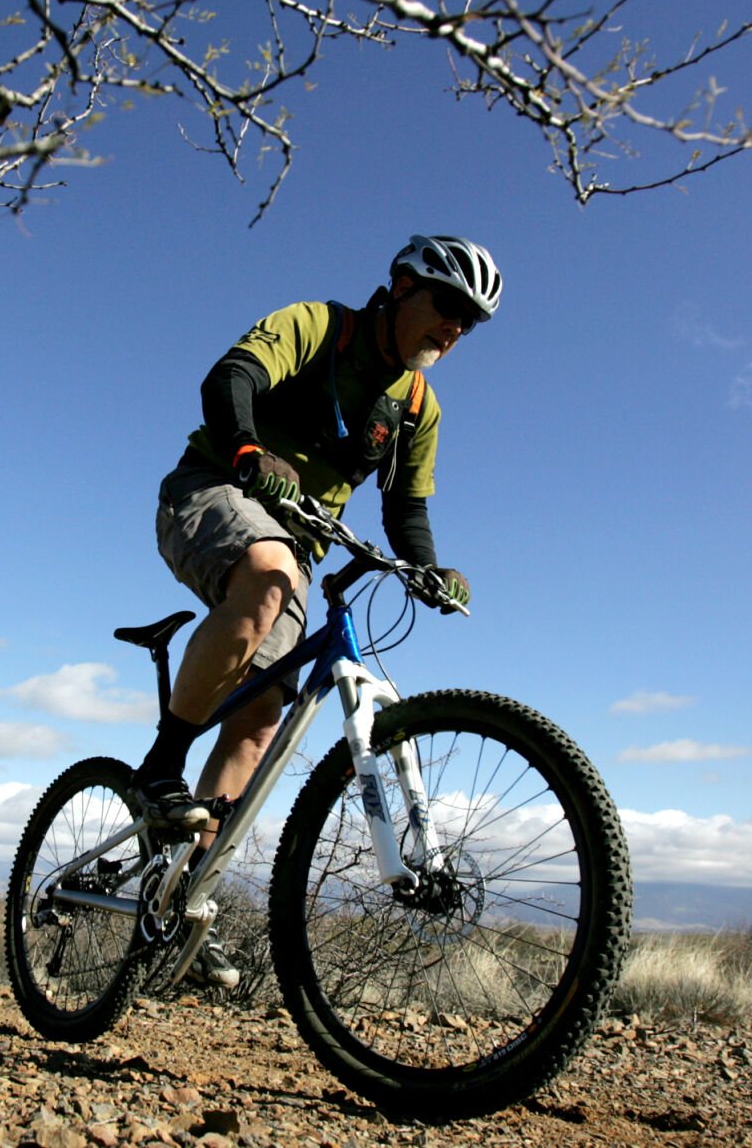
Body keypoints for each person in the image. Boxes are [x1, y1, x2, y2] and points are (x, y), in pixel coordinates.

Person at [133, 234, 501, 986]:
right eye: (447, 305)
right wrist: (244, 449)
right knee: (267, 579)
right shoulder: (319, 325)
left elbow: (406, 506)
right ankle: (160, 765)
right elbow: (230, 375)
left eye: (470, 321)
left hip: (298, 542)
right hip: (211, 488)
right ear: (401, 286)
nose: (454, 328)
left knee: (262, 714)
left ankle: (179, 897)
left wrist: (429, 571)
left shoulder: (418, 407)